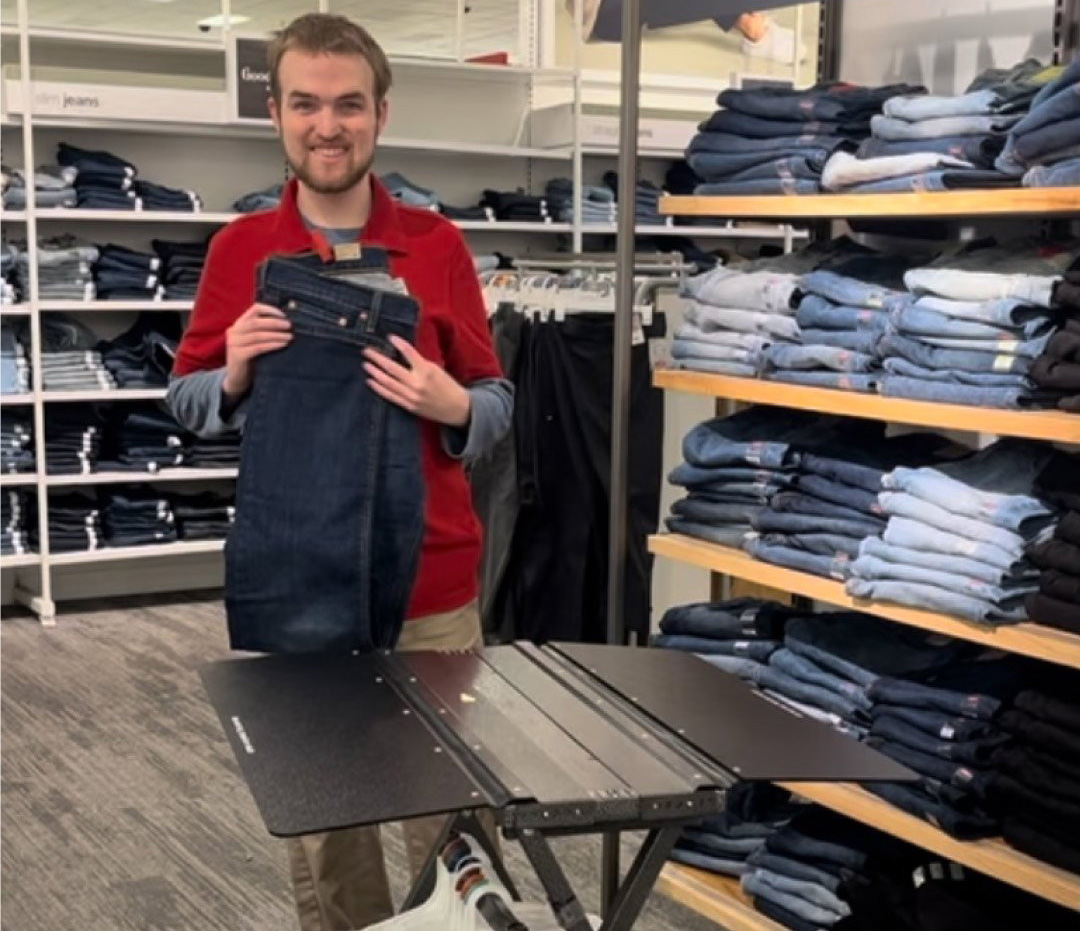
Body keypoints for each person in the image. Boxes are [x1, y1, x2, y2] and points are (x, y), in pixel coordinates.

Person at [167, 12, 512, 930]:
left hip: (431, 579)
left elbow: (497, 401)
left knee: (453, 819)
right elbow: (185, 400)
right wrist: (232, 372)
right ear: (277, 114)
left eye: (349, 104)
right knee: (330, 831)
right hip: (300, 576)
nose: (329, 126)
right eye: (307, 104)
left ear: (381, 113)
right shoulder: (240, 250)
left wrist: (453, 404)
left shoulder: (437, 245)